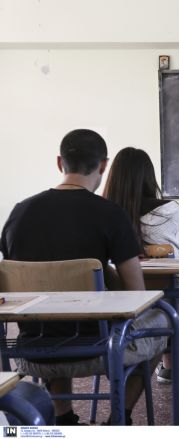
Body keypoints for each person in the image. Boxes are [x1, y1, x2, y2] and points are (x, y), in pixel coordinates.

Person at [0, 129, 169, 425]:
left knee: (54, 315)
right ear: (103, 165)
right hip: (99, 347)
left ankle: (63, 417)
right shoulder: (110, 214)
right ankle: (119, 418)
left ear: (59, 163)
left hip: (30, 350)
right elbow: (136, 294)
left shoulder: (19, 213)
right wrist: (108, 276)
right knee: (166, 321)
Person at [103, 147, 179, 384]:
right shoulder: (168, 212)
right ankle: (169, 365)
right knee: (173, 295)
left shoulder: (103, 214)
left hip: (111, 310)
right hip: (163, 303)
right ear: (149, 177)